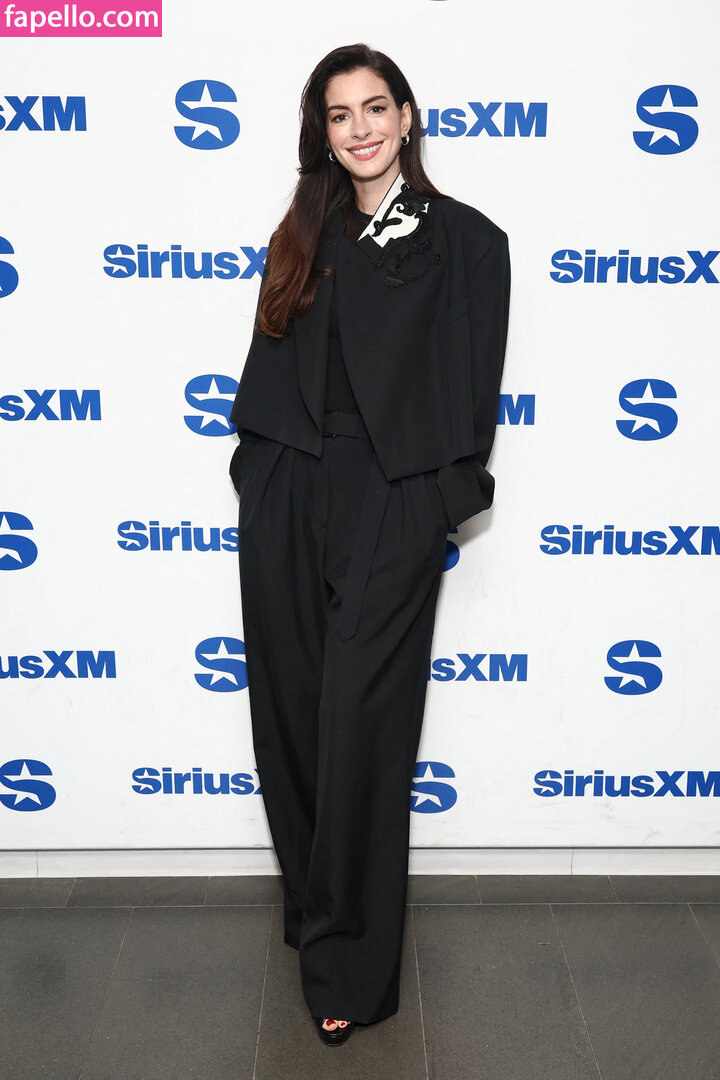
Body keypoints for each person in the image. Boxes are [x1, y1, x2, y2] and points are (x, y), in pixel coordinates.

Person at [228, 43, 510, 1047]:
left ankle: (349, 962)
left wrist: (437, 500)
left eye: (375, 107)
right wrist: (259, 472)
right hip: (289, 486)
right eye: (341, 113)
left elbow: (474, 388)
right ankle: (316, 908)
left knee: (360, 726)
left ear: (406, 116)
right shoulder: (301, 229)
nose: (361, 127)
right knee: (293, 714)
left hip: (393, 496)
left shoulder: (467, 240)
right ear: (323, 129)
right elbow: (269, 357)